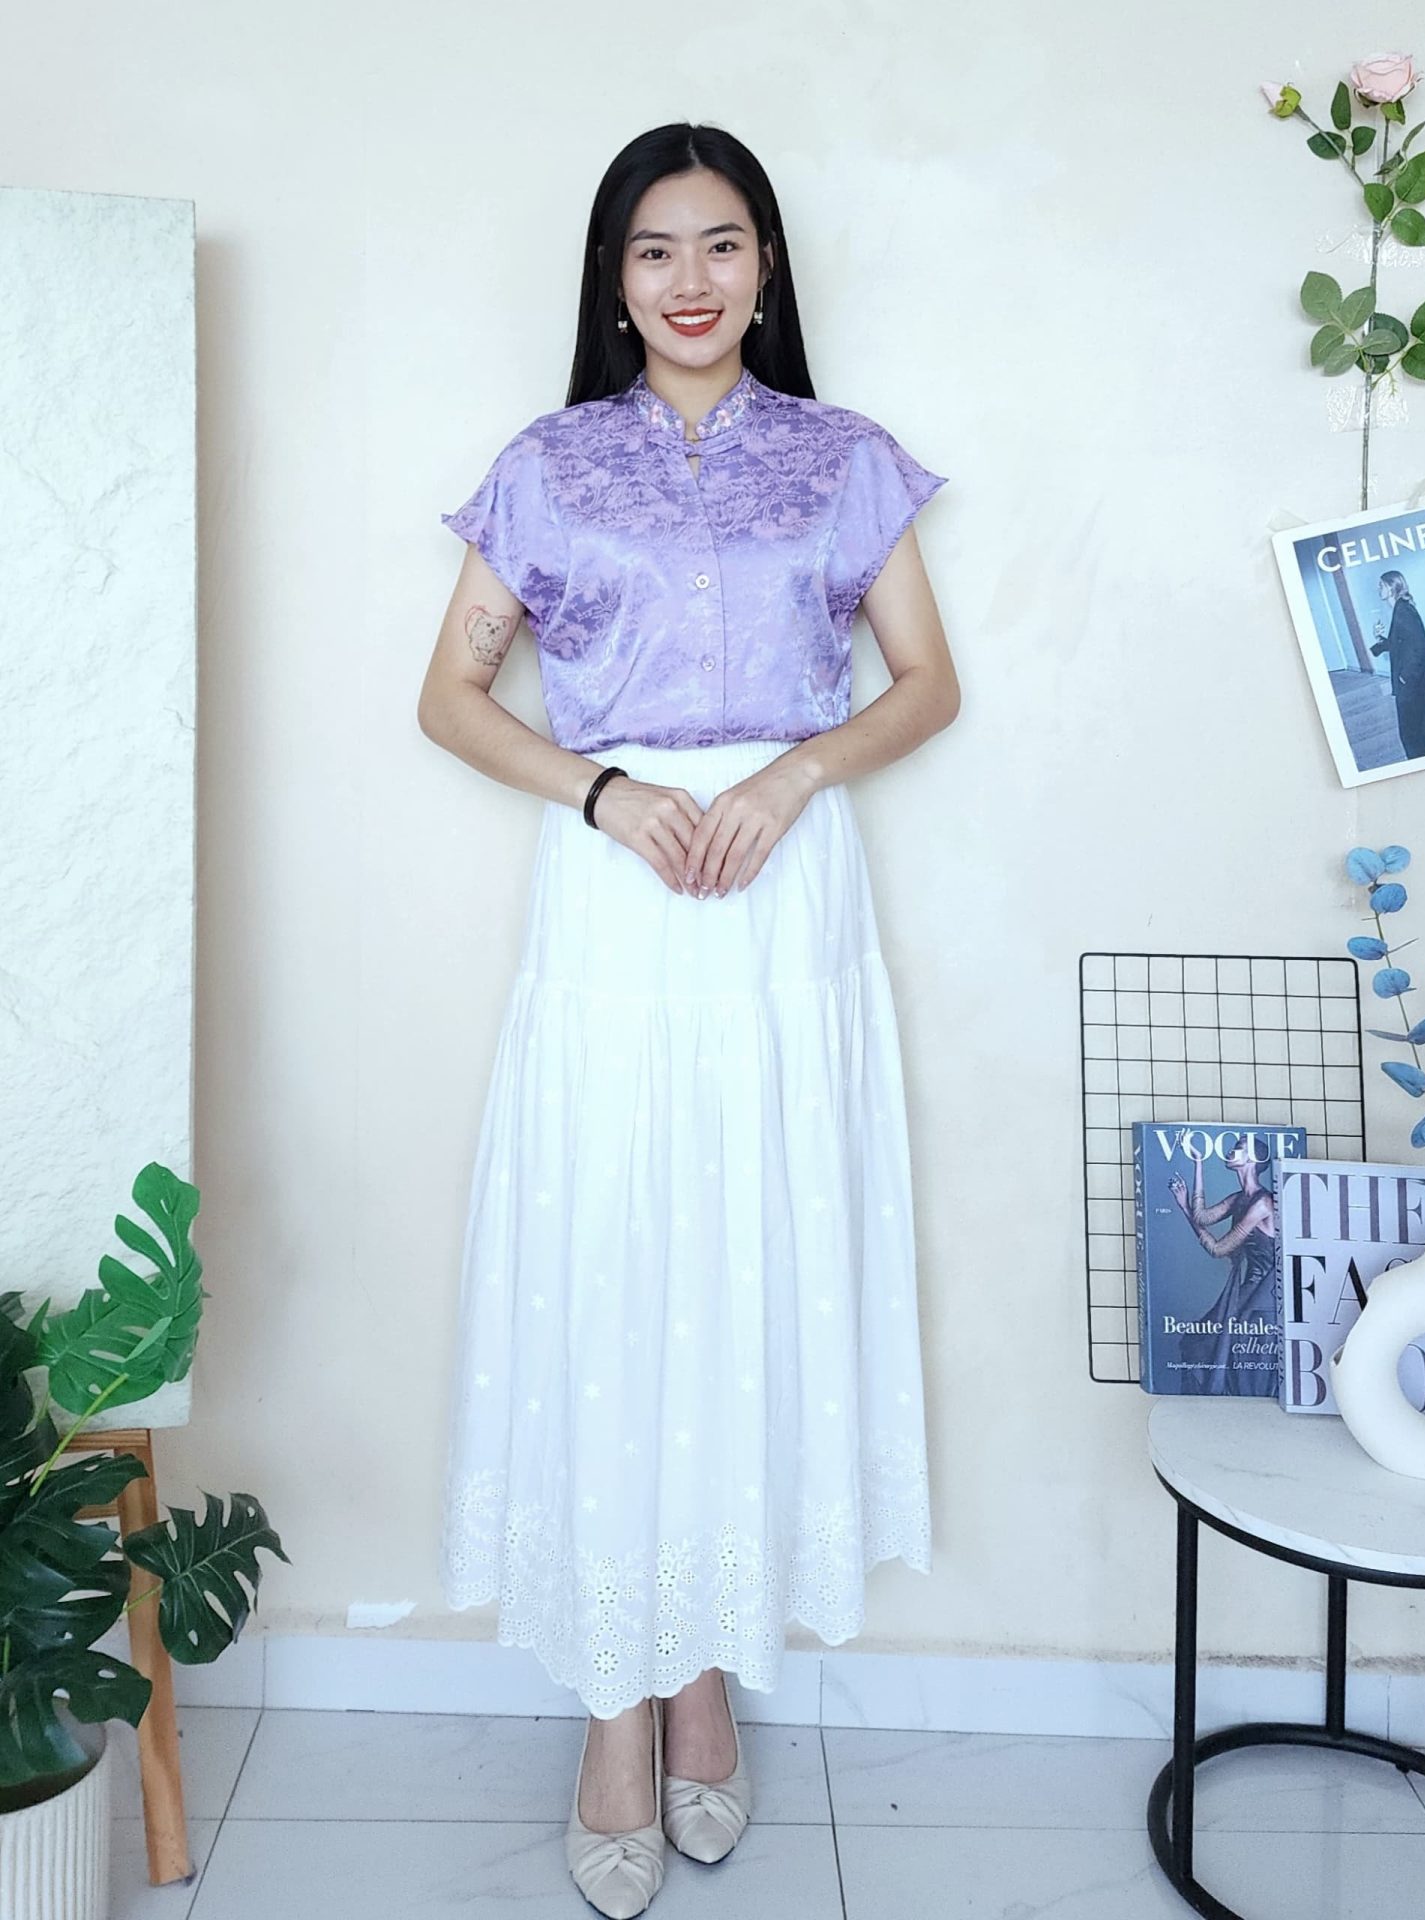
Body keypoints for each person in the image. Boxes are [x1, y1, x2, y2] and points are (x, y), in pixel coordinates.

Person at [418, 121, 958, 1918]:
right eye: (653, 251)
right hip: (617, 905)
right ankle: (612, 1699)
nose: (690, 281)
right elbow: (448, 699)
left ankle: (705, 1671)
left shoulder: (841, 458)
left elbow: (925, 684)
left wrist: (791, 776)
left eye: (721, 244)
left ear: (765, 265)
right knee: (614, 1259)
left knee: (745, 1260)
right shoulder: (548, 467)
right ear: (613, 280)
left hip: (783, 903)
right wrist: (602, 793)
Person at [1166, 1134, 1278, 1395]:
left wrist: (1185, 1210)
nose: (1230, 1151)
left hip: (1265, 1296)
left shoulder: (1262, 1204)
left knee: (1218, 1350)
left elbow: (1218, 1249)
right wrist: (1198, 1163)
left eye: (1238, 1147)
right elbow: (1202, 1217)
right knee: (1204, 1345)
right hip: (1248, 1289)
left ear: (1253, 1158)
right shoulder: (1240, 1198)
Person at [1371, 568, 1425, 762]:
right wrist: (1379, 639)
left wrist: (1405, 677)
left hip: (1411, 683)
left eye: (1381, 585)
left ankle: (1420, 764)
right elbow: (1400, 644)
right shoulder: (1402, 609)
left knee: (1411, 731)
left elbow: (1417, 648)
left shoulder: (1403, 612)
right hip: (1418, 682)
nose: (1378, 589)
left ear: (1392, 587)